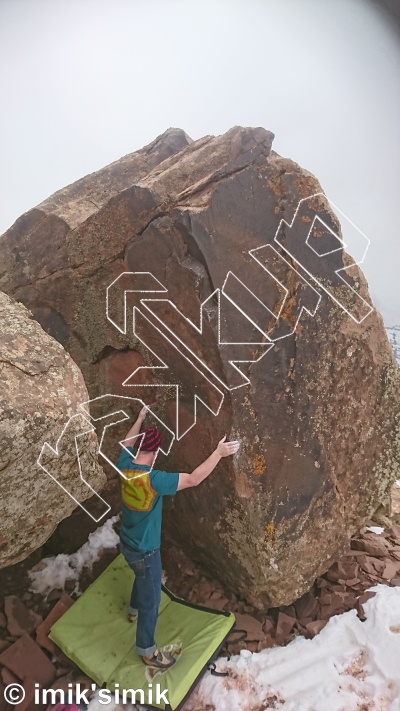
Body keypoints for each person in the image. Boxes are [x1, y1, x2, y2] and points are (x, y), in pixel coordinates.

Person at [116, 405, 240, 670]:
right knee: (153, 598)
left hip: (126, 542)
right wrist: (218, 453)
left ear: (138, 447)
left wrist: (138, 419)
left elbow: (126, 441)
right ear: (157, 451)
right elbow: (194, 479)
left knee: (141, 577)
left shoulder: (124, 464)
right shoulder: (154, 480)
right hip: (146, 550)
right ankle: (147, 650)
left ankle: (132, 610)